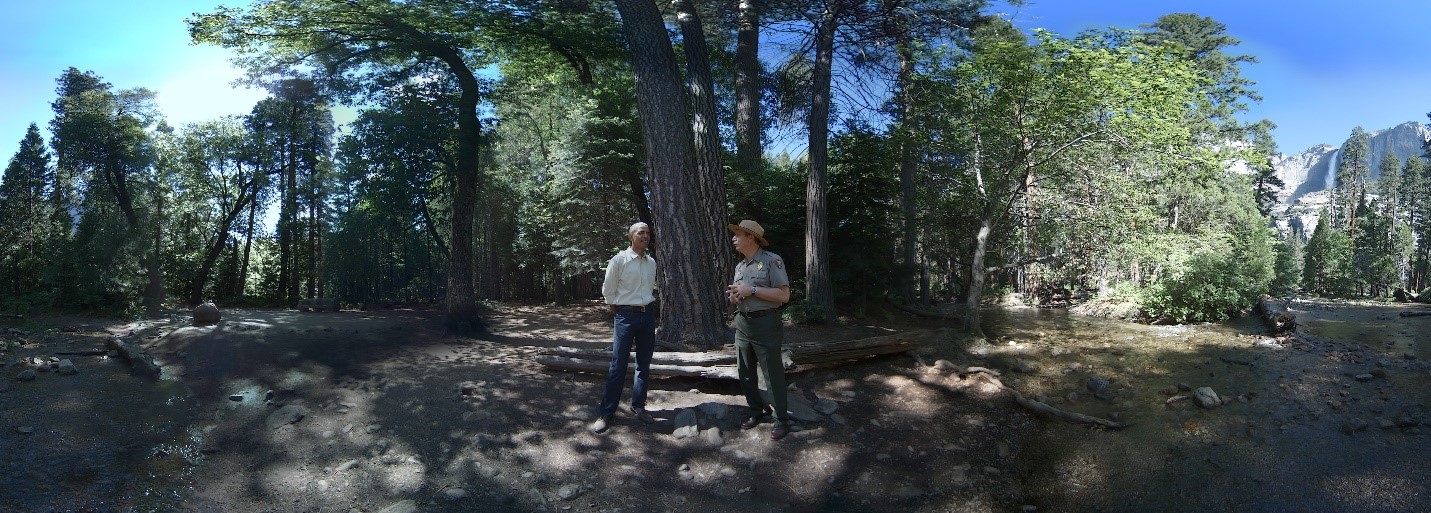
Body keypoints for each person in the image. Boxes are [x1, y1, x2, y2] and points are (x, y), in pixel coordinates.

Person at [725, 220, 793, 440]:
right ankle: (755, 411)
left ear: (751, 237)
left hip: (766, 323)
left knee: (772, 373)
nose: (734, 238)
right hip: (742, 323)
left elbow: (784, 296)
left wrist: (752, 289)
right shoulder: (740, 267)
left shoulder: (772, 260)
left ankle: (781, 419)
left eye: (738, 234)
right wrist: (735, 297)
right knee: (745, 372)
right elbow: (741, 295)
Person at [591, 222, 658, 434]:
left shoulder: (651, 262)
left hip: (647, 316)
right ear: (630, 237)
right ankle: (607, 412)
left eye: (647, 233)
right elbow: (608, 289)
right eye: (640, 232)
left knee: (644, 364)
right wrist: (620, 310)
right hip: (625, 316)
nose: (645, 236)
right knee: (618, 364)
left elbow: (650, 288)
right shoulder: (619, 260)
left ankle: (638, 406)